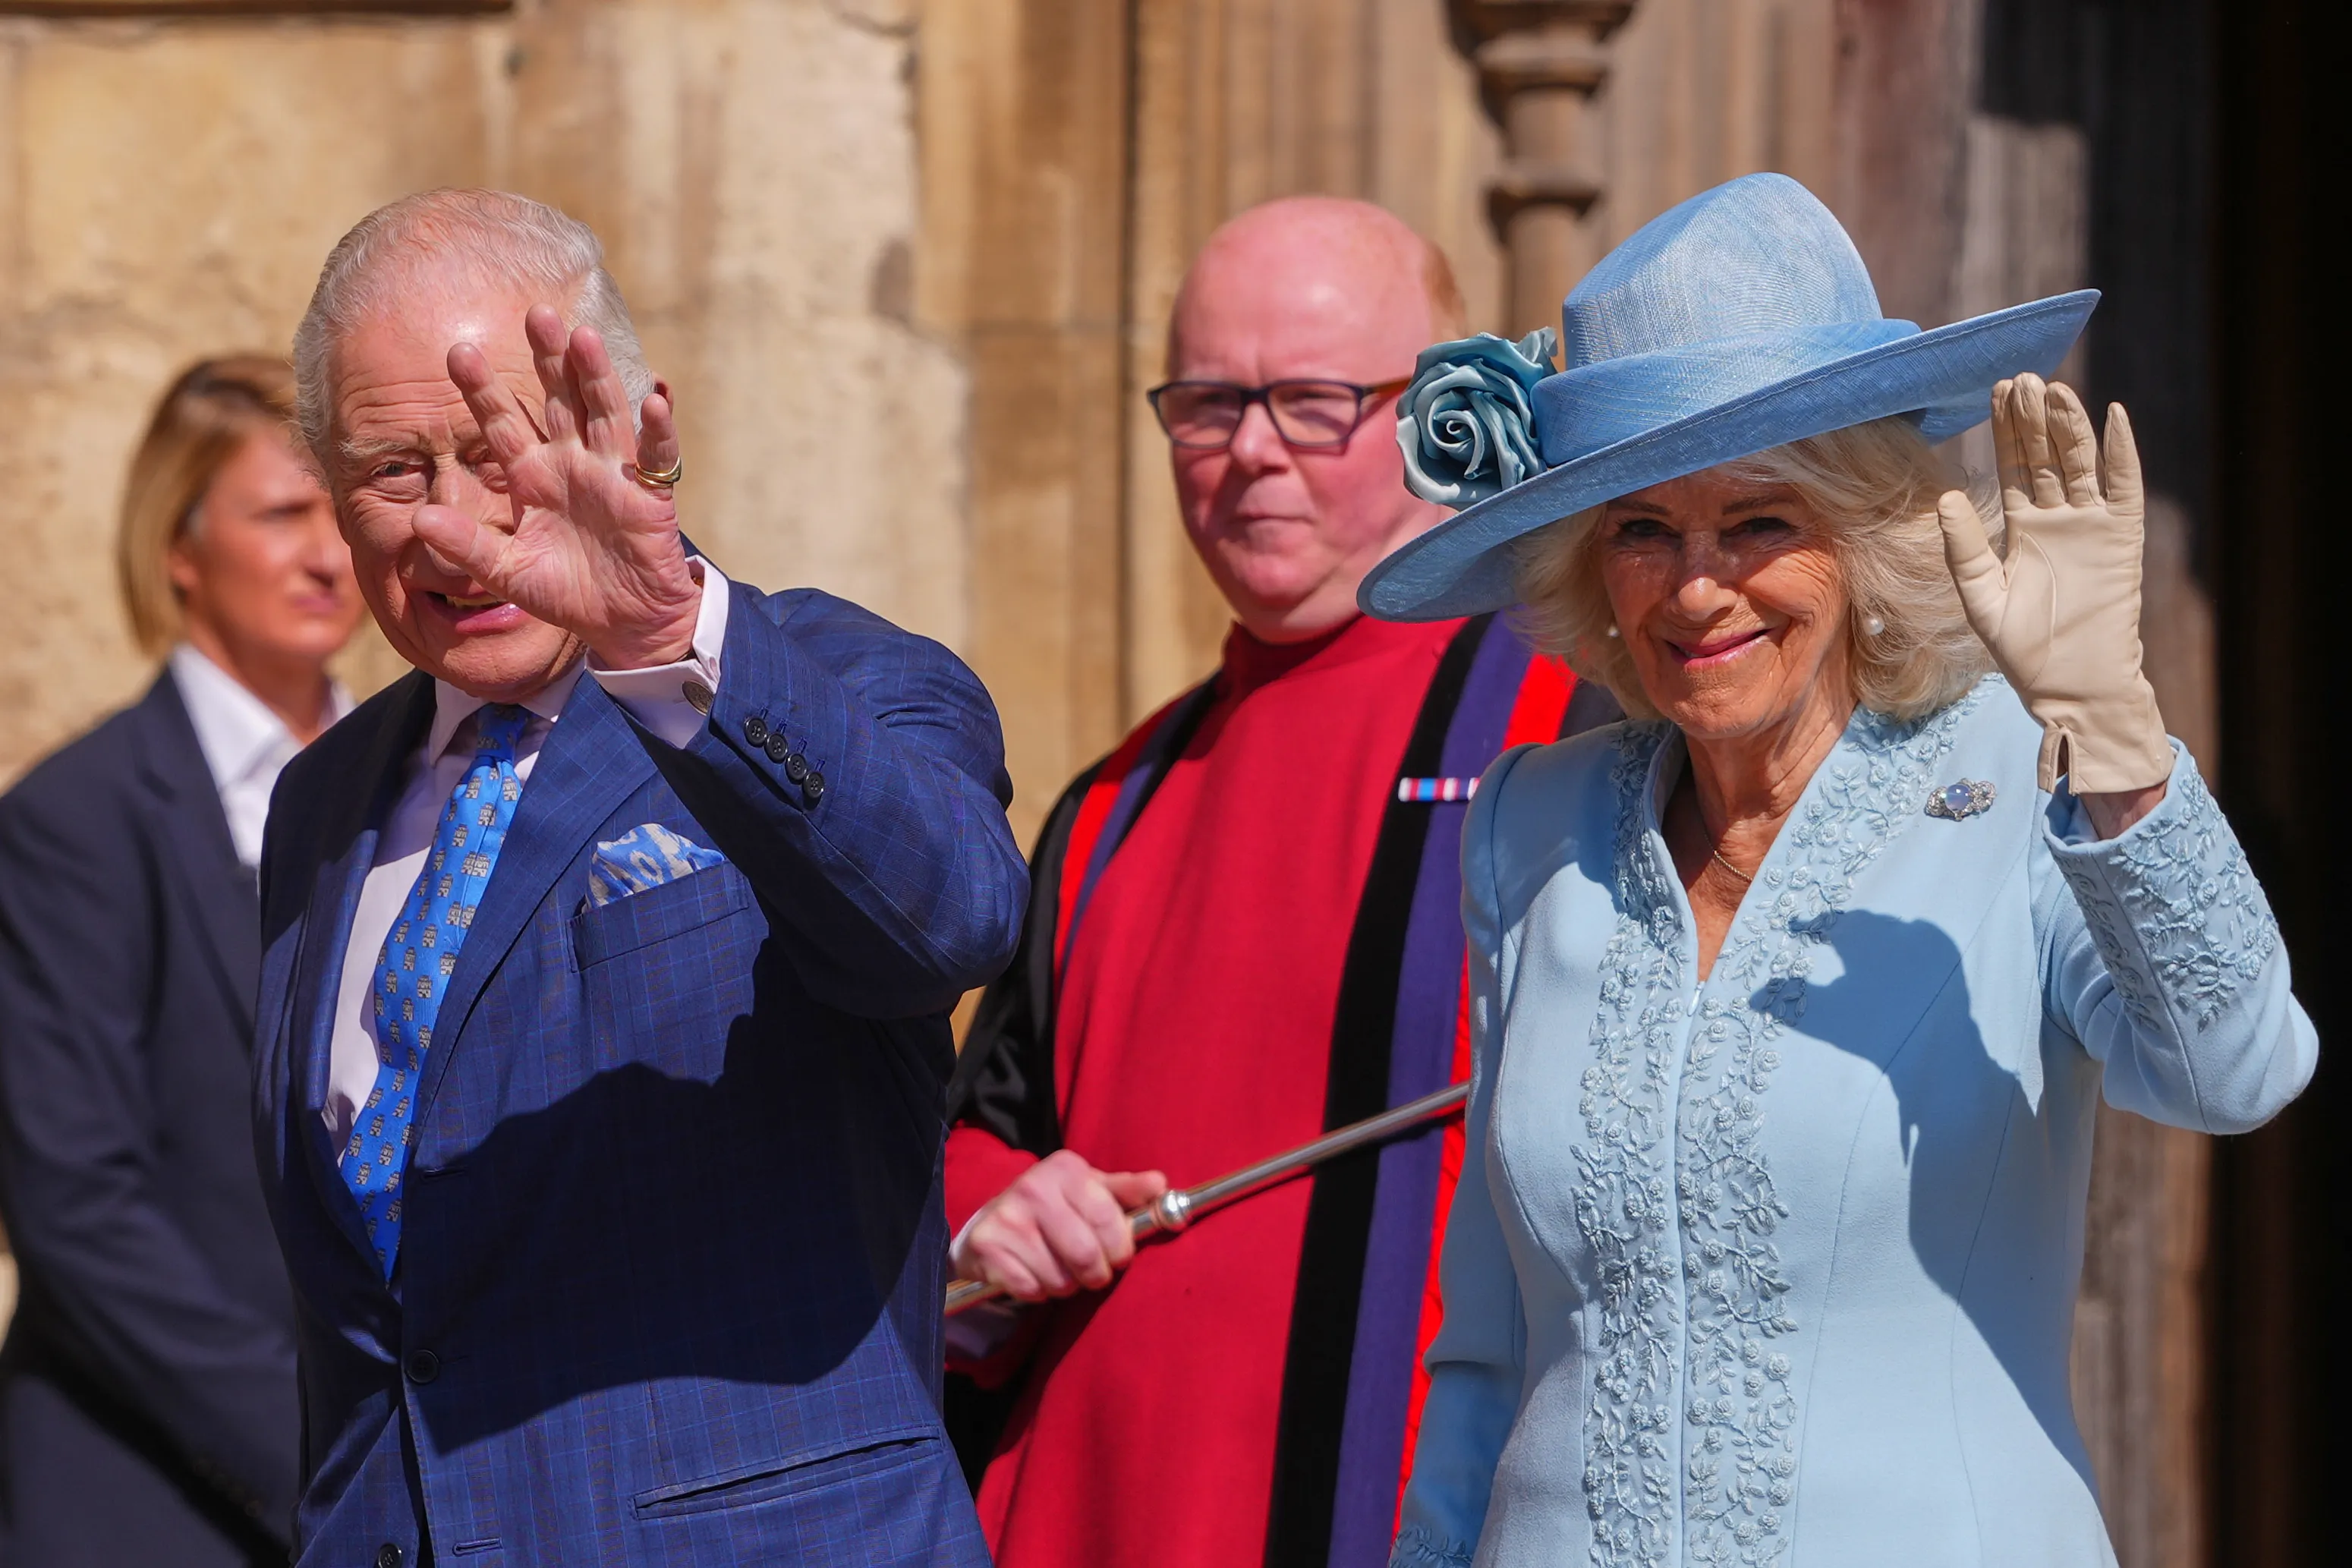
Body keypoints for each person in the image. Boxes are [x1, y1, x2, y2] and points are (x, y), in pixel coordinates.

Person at [1369, 172, 2317, 1566]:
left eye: (1758, 520)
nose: (1696, 588)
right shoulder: (1528, 822)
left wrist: (2111, 723)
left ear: (1865, 533)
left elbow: (2235, 1068)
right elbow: (1491, 1342)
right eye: (1643, 528)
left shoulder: (2027, 779)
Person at [248, 190, 1024, 1566]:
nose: (457, 524)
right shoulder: (324, 799)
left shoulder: (833, 682)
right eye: (392, 469)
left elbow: (948, 921)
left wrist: (663, 638)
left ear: (625, 421)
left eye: (504, 451)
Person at [941, 196, 1620, 1568]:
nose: (1249, 450)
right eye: (1205, 403)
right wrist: (985, 1212)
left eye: (1313, 402)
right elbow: (979, 1135)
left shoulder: (1581, 736)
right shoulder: (1109, 801)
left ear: (1441, 411)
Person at [0, 356, 364, 1564]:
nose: (328, 552)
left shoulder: (433, 787)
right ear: (179, 544)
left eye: (341, 508)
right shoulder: (75, 819)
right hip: (156, 1504)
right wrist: (325, 1460)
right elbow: (77, 1202)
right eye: (281, 514)